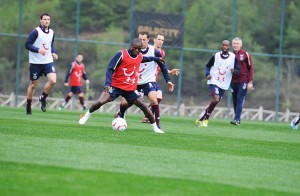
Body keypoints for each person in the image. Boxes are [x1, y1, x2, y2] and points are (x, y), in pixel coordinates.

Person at [79, 38, 165, 133]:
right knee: (101, 101)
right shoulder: (121, 54)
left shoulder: (139, 56)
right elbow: (110, 68)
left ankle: (155, 128)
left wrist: (157, 59)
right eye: (136, 48)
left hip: (130, 89)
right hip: (116, 86)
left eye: (140, 49)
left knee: (143, 106)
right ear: (131, 46)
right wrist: (108, 83)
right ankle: (87, 115)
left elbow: (146, 59)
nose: (138, 51)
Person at [115, 32, 175, 129]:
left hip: (148, 81)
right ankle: (120, 114)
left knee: (154, 100)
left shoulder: (154, 51)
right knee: (125, 103)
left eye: (144, 39)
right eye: (140, 39)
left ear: (148, 40)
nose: (141, 41)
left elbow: (162, 66)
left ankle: (157, 126)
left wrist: (168, 80)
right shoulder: (133, 51)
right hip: (134, 82)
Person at [195, 40, 240, 127]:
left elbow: (238, 70)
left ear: (229, 46)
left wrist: (234, 71)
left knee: (216, 101)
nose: (225, 47)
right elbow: (208, 66)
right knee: (215, 99)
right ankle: (206, 119)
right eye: (224, 45)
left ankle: (200, 118)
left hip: (224, 84)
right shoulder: (215, 56)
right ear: (221, 46)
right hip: (214, 80)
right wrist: (207, 74)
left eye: (227, 45)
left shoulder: (233, 57)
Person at [141, 33, 180, 123]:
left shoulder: (162, 53)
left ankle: (148, 116)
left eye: (162, 40)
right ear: (154, 40)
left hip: (152, 80)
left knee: (159, 96)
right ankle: (120, 112)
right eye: (159, 39)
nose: (161, 42)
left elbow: (160, 67)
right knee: (137, 99)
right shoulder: (149, 49)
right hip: (142, 79)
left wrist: (169, 71)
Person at [25, 13, 58, 115]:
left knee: (53, 80)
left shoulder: (52, 32)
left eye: (48, 19)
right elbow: (27, 44)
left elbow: (51, 44)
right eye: (44, 19)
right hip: (36, 62)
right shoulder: (36, 32)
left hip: (47, 61)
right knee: (33, 85)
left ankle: (42, 98)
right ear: (41, 20)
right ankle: (28, 104)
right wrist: (38, 50)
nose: (46, 21)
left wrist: (53, 52)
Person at [230, 37, 254, 125]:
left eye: (237, 43)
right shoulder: (230, 55)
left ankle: (236, 119)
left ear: (241, 45)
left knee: (240, 98)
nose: (235, 45)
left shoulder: (245, 54)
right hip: (232, 81)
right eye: (234, 43)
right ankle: (238, 119)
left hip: (243, 80)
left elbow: (250, 68)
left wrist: (250, 81)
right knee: (235, 100)